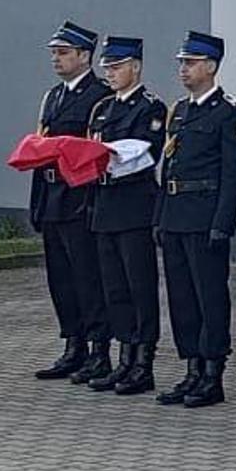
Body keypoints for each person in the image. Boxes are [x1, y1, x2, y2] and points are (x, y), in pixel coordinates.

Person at [154, 31, 236, 409]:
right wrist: (160, 217)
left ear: (211, 67)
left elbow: (234, 174)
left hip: (205, 216)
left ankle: (212, 373)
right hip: (177, 215)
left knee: (209, 296)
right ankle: (191, 368)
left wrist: (222, 223)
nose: (183, 69)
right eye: (181, 62)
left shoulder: (229, 113)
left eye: (190, 63)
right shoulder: (179, 111)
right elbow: (168, 166)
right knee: (182, 298)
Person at [31, 20, 114, 381]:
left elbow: (94, 152)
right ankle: (73, 343)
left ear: (85, 56)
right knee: (60, 278)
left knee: (87, 276)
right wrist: (36, 203)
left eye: (63, 53)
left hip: (79, 197)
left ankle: (98, 348)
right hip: (52, 195)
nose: (56, 59)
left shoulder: (99, 96)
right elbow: (40, 147)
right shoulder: (53, 96)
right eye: (54, 53)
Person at [85, 35, 168, 395]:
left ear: (135, 67)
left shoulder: (150, 108)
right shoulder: (103, 108)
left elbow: (141, 155)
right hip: (104, 208)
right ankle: (123, 358)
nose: (111, 72)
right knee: (114, 288)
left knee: (139, 287)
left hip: (134, 208)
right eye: (107, 67)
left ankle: (143, 361)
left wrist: (104, 156)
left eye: (117, 66)